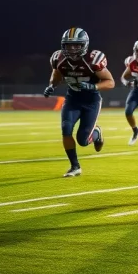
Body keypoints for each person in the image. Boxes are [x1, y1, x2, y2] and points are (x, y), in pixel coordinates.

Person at [44, 28, 115, 177]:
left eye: (76, 45)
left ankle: (97, 133)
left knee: (83, 140)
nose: (72, 48)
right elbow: (56, 75)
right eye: (69, 45)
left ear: (84, 45)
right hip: (72, 99)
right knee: (66, 129)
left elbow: (110, 82)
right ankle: (74, 166)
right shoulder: (59, 58)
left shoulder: (92, 59)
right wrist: (52, 86)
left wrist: (93, 86)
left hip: (91, 101)